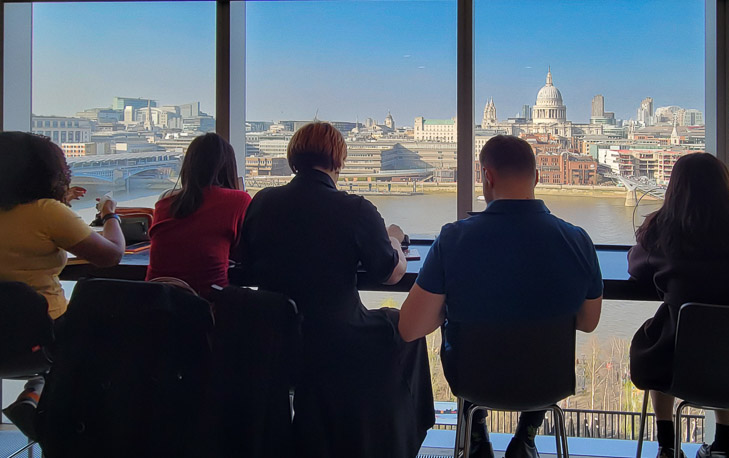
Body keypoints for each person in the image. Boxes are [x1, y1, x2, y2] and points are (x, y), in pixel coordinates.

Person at [398, 135, 604, 458]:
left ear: (487, 177)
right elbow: (589, 322)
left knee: (459, 328)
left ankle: (476, 430)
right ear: (536, 177)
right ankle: (527, 435)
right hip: (548, 383)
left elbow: (409, 328)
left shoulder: (453, 239)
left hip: (472, 382)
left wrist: (450, 309)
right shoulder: (578, 241)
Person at [238, 121, 434, 457]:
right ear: (338, 161)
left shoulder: (261, 202)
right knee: (405, 328)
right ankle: (400, 436)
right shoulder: (354, 209)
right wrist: (394, 240)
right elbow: (390, 273)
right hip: (338, 342)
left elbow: (243, 261)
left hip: (276, 342)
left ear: (293, 159)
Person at [628, 153, 729, 458]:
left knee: (660, 343)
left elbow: (637, 272)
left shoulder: (662, 231)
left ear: (673, 188)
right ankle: (724, 446)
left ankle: (667, 446)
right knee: (724, 343)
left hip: (677, 364)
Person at [0, 132, 126, 439]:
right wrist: (111, 215)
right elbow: (111, 255)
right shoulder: (46, 212)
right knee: (108, 330)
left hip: (3, 338)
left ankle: (37, 392)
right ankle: (86, 424)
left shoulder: (43, 211)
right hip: (39, 337)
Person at [146, 133, 251, 299]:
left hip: (156, 304)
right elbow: (242, 253)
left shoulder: (165, 202)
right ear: (228, 167)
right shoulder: (238, 200)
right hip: (208, 306)